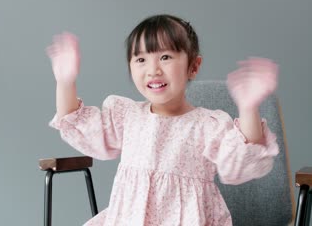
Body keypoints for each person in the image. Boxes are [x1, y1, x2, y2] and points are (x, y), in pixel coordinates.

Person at [46, 14, 279, 226]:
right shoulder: (126, 116)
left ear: (193, 66)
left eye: (165, 57)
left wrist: (249, 107)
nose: (153, 70)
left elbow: (242, 161)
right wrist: (65, 81)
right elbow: (77, 123)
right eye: (140, 60)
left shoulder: (207, 125)